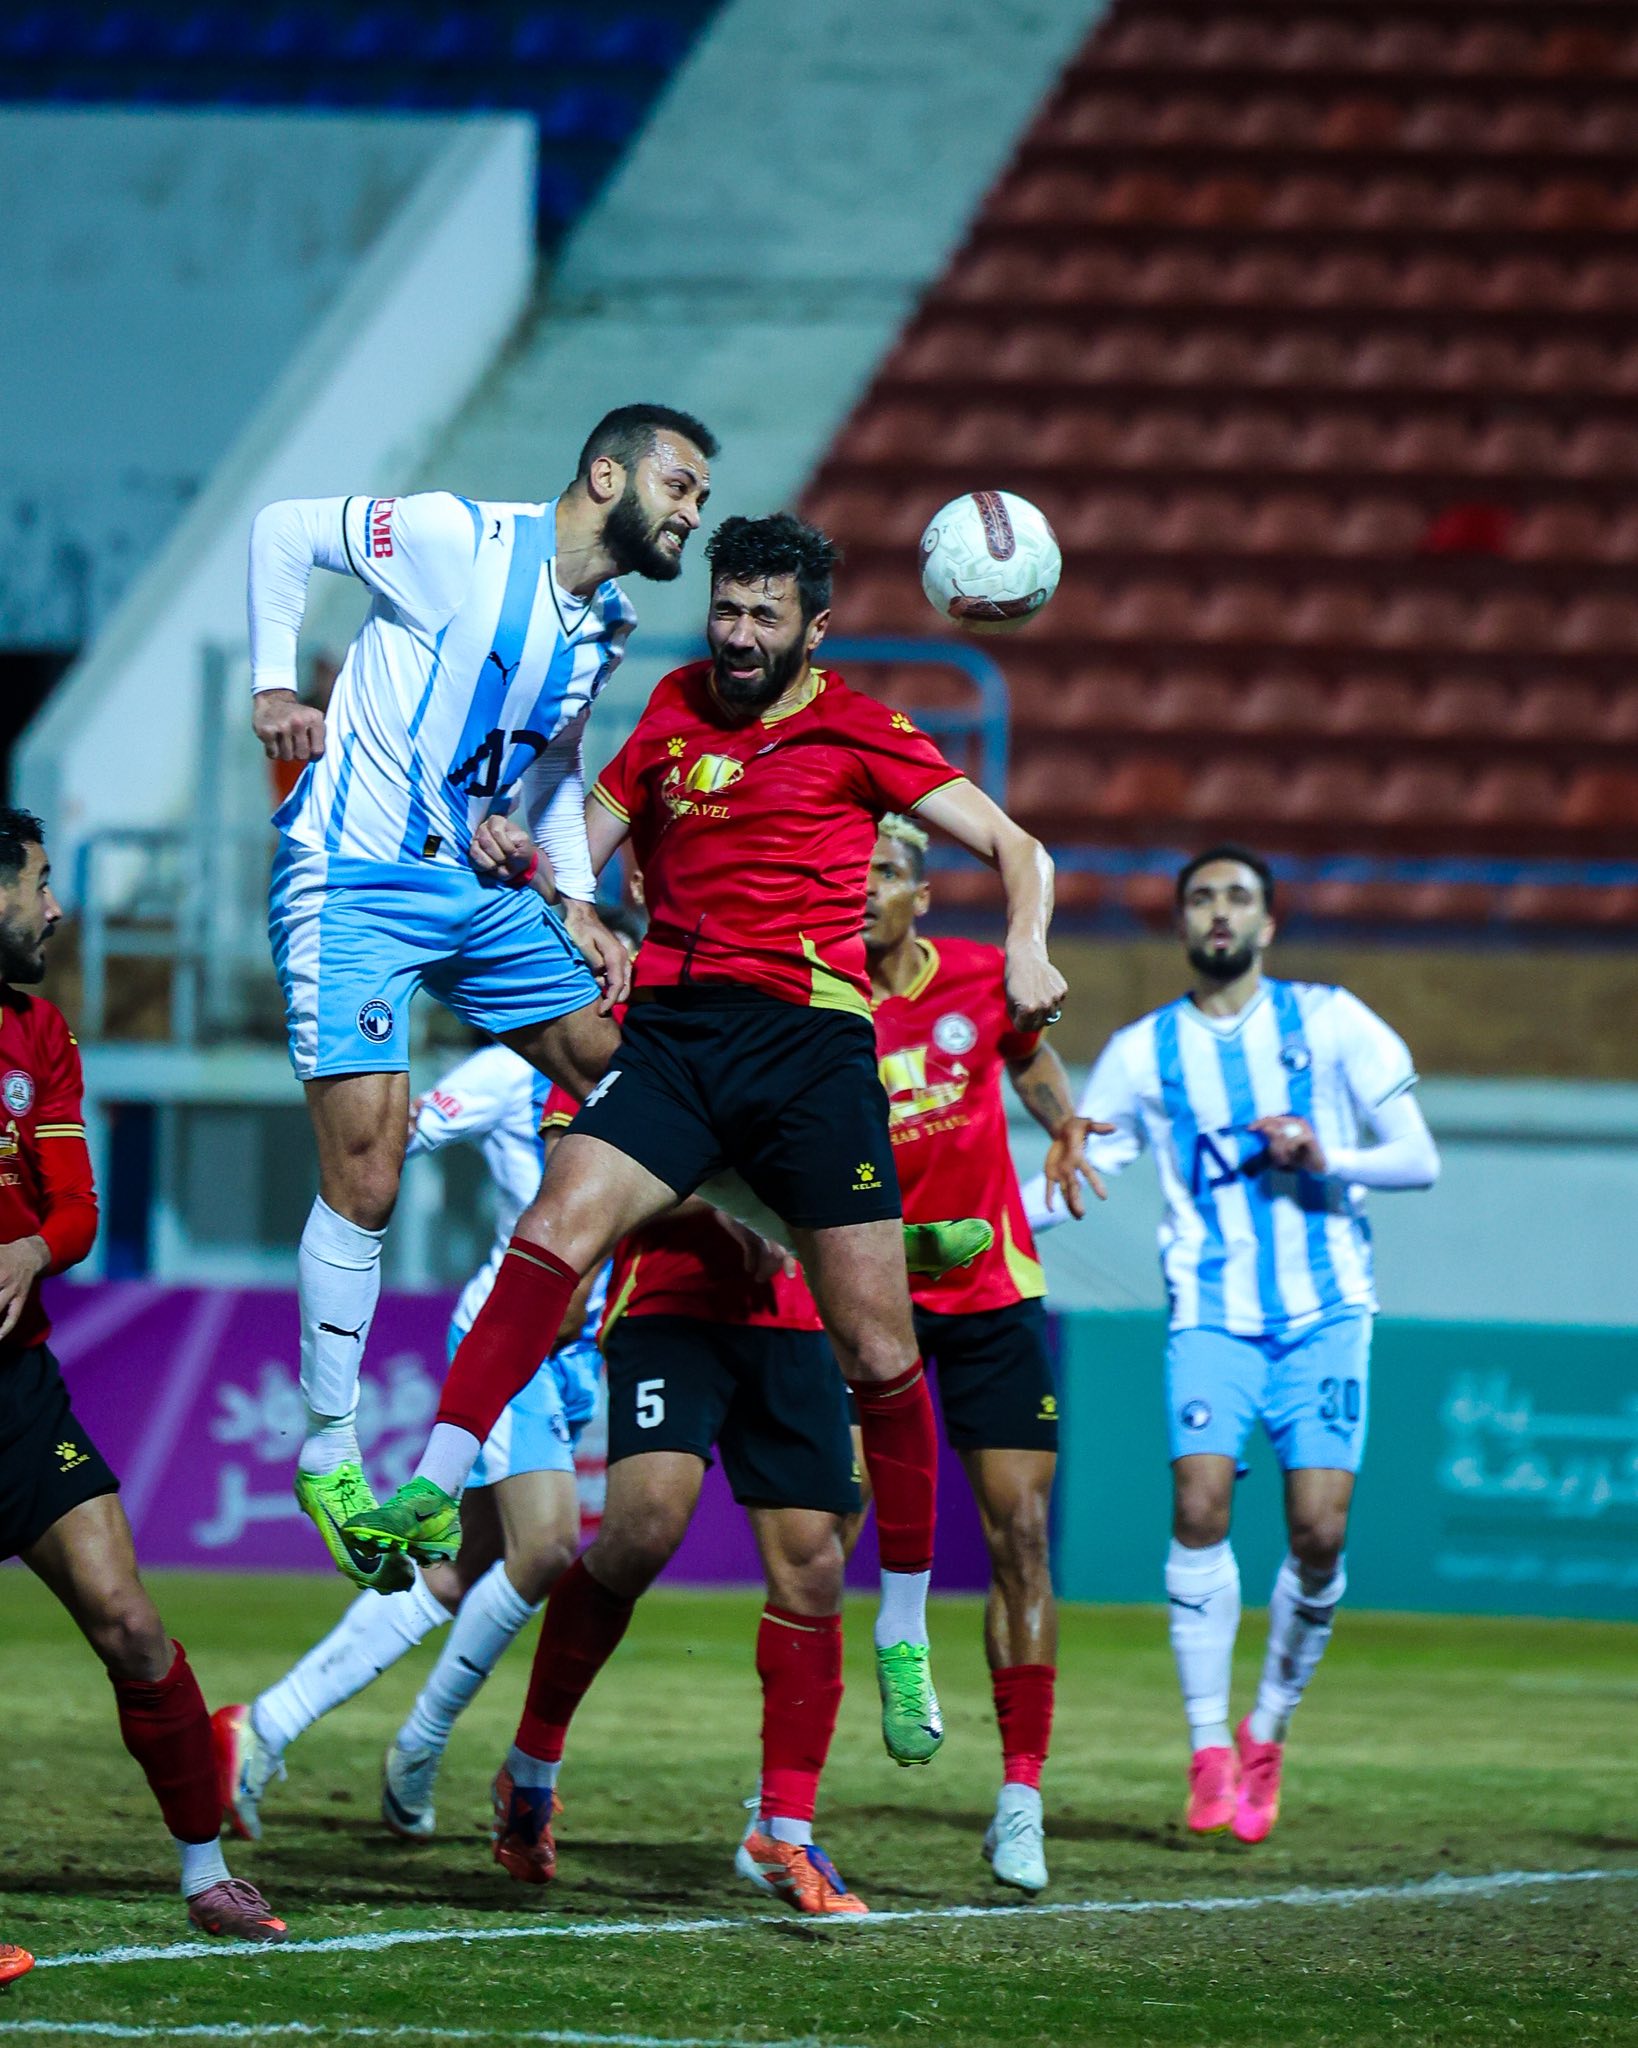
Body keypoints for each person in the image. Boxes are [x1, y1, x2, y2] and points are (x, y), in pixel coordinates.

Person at [348, 514, 1068, 1812]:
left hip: (807, 1060)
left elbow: (1022, 849)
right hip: (678, 1043)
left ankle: (901, 1623)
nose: (736, 636)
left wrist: (1025, 947)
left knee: (880, 1354)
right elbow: (588, 831)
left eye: (761, 617)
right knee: (553, 1230)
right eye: (725, 610)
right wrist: (548, 882)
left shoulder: (857, 728)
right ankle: (430, 1481)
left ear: (812, 628)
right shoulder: (674, 708)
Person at [246, 405, 717, 1582]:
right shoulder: (460, 538)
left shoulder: (604, 620)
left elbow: (553, 768)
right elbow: (283, 529)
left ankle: (795, 1231)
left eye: (702, 498)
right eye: (679, 485)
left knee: (627, 1068)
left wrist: (577, 898)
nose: (692, 513)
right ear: (603, 471)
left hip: (472, 880)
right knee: (369, 1166)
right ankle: (330, 1449)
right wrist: (269, 686)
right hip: (350, 877)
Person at [1029, 845, 1439, 1844]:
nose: (1220, 912)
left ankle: (1268, 1729)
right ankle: (1210, 1747)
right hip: (1211, 1313)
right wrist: (976, 1225)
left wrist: (1324, 1150)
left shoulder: (1332, 1021)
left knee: (1320, 1531)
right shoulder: (1141, 1049)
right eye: (1202, 897)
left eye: (1238, 897)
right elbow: (1088, 1170)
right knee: (1201, 1502)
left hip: (1327, 1311)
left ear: (1269, 923)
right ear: (1181, 924)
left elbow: (1420, 1157)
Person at [211, 936, 642, 1840]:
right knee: (547, 1544)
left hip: (578, 1358)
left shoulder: (651, 1079)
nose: (609, 987)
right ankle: (423, 1741)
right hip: (504, 1336)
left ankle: (261, 1726)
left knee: (455, 1571)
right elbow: (398, 1131)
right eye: (597, 972)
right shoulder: (510, 1069)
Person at [0, 808, 284, 1941]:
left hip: (17, 1389)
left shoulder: (40, 1031)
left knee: (127, 1619)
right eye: (37, 883)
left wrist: (28, 1245)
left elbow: (76, 1209)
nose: (56, 907)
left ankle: (205, 1869)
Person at [491, 1082, 868, 1915]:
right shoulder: (618, 1040)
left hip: (794, 1320)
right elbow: (576, 1184)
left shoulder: (809, 1031)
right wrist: (729, 1203)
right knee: (642, 1533)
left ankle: (786, 1828)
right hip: (668, 1309)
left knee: (814, 1564)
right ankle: (531, 1771)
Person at [860, 813, 1103, 1894]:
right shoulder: (812, 1001)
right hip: (869, 1307)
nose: (866, 885)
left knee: (1021, 1536)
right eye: (852, 869)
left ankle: (1020, 1800)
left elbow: (1027, 1052)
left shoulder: (972, 977)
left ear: (923, 893)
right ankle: (788, 1796)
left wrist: (1060, 1118)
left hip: (995, 1293)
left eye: (889, 870)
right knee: (825, 1533)